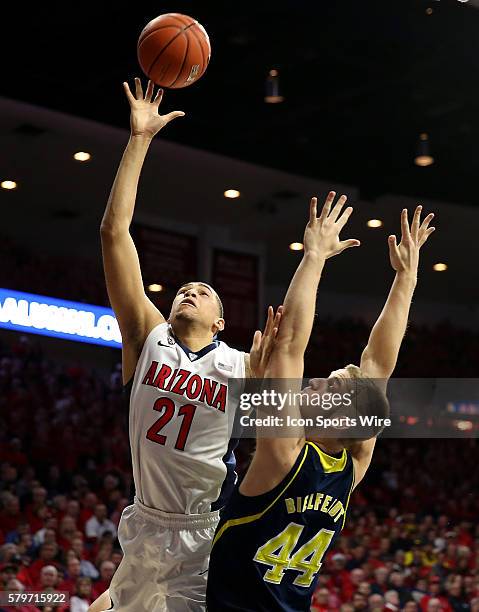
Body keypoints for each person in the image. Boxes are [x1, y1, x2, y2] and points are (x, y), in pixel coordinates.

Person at [90, 78, 271, 612]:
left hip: (206, 533)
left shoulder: (240, 364)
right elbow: (113, 234)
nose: (190, 289)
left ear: (221, 322)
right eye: (184, 288)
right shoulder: (147, 338)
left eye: (206, 291)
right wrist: (139, 138)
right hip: (145, 521)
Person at [207, 197, 435, 611]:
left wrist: (314, 256)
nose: (312, 382)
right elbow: (380, 363)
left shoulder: (283, 455)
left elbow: (291, 343)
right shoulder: (352, 466)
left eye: (324, 387)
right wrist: (406, 278)